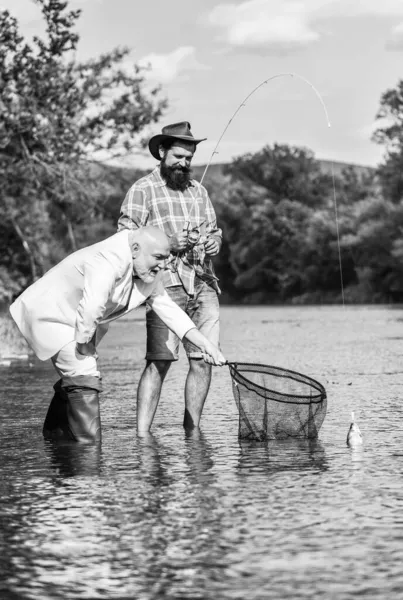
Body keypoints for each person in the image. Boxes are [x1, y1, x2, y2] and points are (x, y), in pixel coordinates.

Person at [9, 227, 226, 443]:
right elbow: (92, 306)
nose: (163, 265)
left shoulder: (149, 270)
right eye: (158, 257)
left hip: (76, 318)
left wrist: (205, 345)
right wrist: (84, 343)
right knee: (84, 373)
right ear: (134, 249)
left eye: (165, 258)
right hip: (51, 313)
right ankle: (87, 458)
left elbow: (170, 312)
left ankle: (56, 437)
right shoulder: (107, 259)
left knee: (78, 375)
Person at [118, 121, 222, 431]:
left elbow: (215, 232)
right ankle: (142, 435)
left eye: (189, 158)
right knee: (159, 362)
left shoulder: (199, 192)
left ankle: (193, 432)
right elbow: (126, 239)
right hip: (164, 287)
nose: (184, 164)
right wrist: (169, 242)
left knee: (202, 360)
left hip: (203, 285)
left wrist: (213, 241)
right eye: (178, 156)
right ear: (162, 152)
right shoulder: (142, 190)